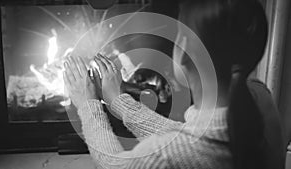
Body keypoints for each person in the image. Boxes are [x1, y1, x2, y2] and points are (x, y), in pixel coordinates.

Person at [63, 0, 285, 168]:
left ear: (184, 46)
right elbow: (186, 137)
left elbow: (114, 164)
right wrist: (119, 103)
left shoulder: (166, 156)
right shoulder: (260, 102)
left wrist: (87, 103)